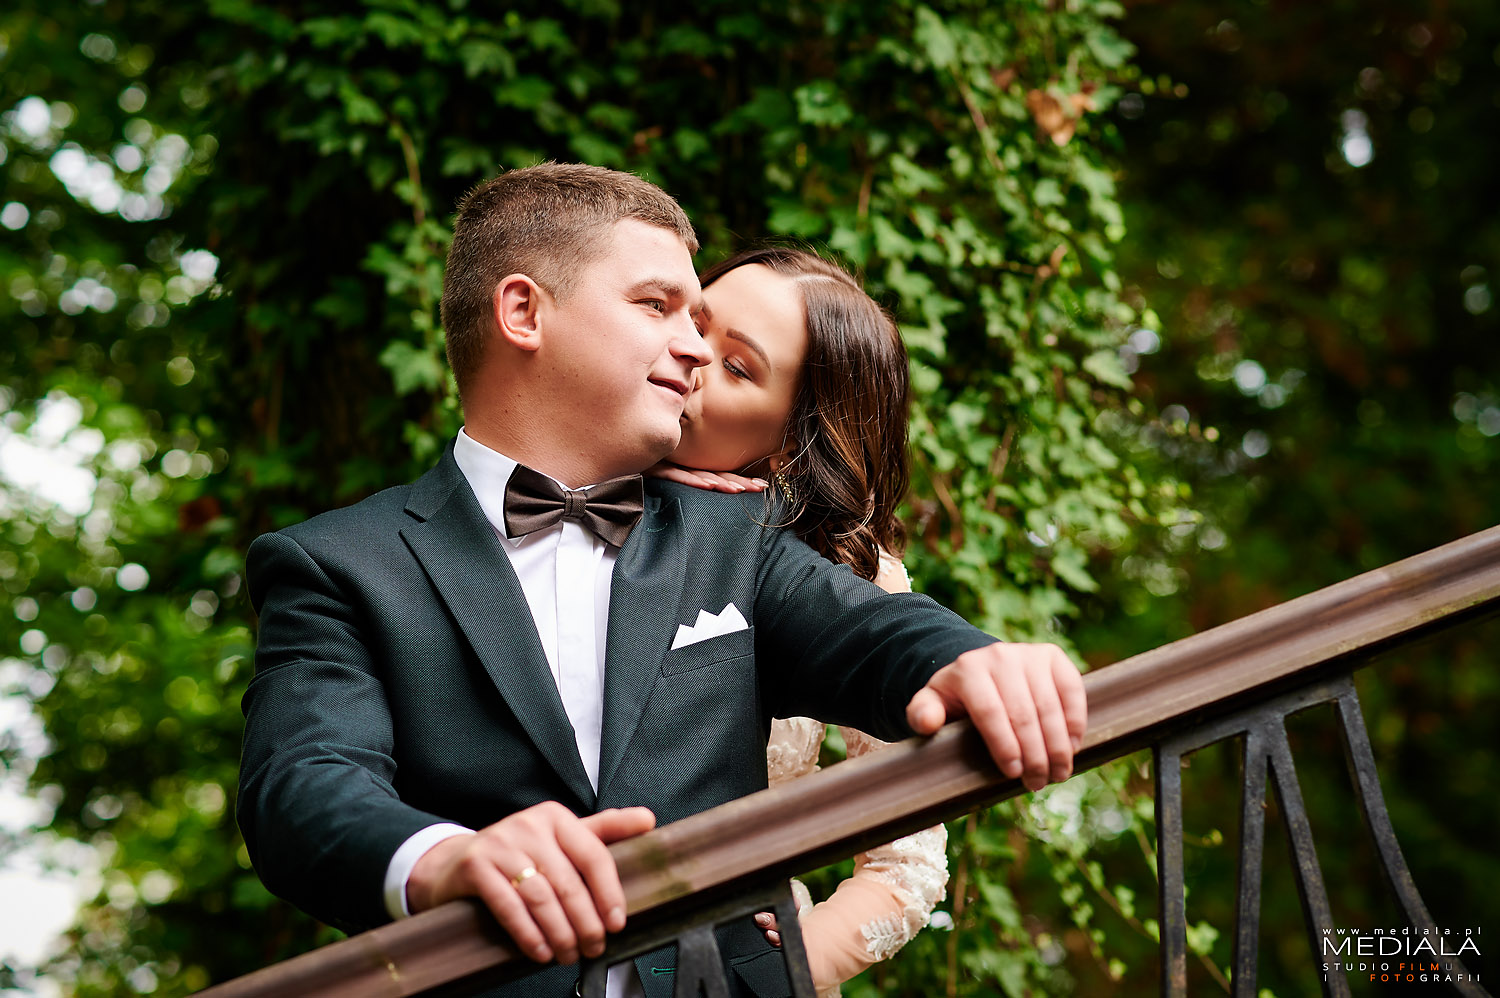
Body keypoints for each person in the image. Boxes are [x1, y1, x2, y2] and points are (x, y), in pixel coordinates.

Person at [237, 163, 1087, 998]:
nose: (694, 348)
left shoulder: (740, 533)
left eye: (706, 326)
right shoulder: (337, 564)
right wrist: (443, 859)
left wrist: (970, 658)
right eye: (657, 306)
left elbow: (866, 630)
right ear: (524, 312)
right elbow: (303, 783)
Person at [652, 247, 945, 996]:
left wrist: (792, 963)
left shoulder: (843, 575)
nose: (690, 356)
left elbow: (908, 856)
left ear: (791, 440)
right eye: (692, 322)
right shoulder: (551, 488)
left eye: (737, 366)